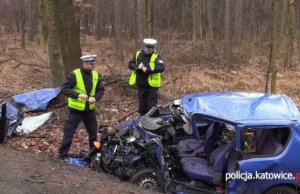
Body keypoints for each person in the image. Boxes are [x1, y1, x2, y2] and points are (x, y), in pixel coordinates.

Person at [58, 55, 105, 160]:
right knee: (68, 135)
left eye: (94, 64)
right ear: (85, 63)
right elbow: (64, 89)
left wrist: (95, 98)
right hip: (75, 111)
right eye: (92, 64)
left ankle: (94, 156)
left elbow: (101, 90)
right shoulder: (74, 75)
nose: (93, 66)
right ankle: (62, 156)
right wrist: (78, 95)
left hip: (89, 111)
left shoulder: (95, 75)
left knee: (93, 135)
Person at [128, 38, 165, 116]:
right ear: (144, 47)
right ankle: (142, 120)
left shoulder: (156, 56)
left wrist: (148, 69)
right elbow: (130, 64)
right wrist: (138, 66)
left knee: (151, 107)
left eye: (150, 49)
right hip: (141, 84)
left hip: (152, 85)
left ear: (153, 48)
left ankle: (151, 122)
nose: (148, 50)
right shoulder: (138, 53)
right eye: (147, 48)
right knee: (142, 106)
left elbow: (161, 68)